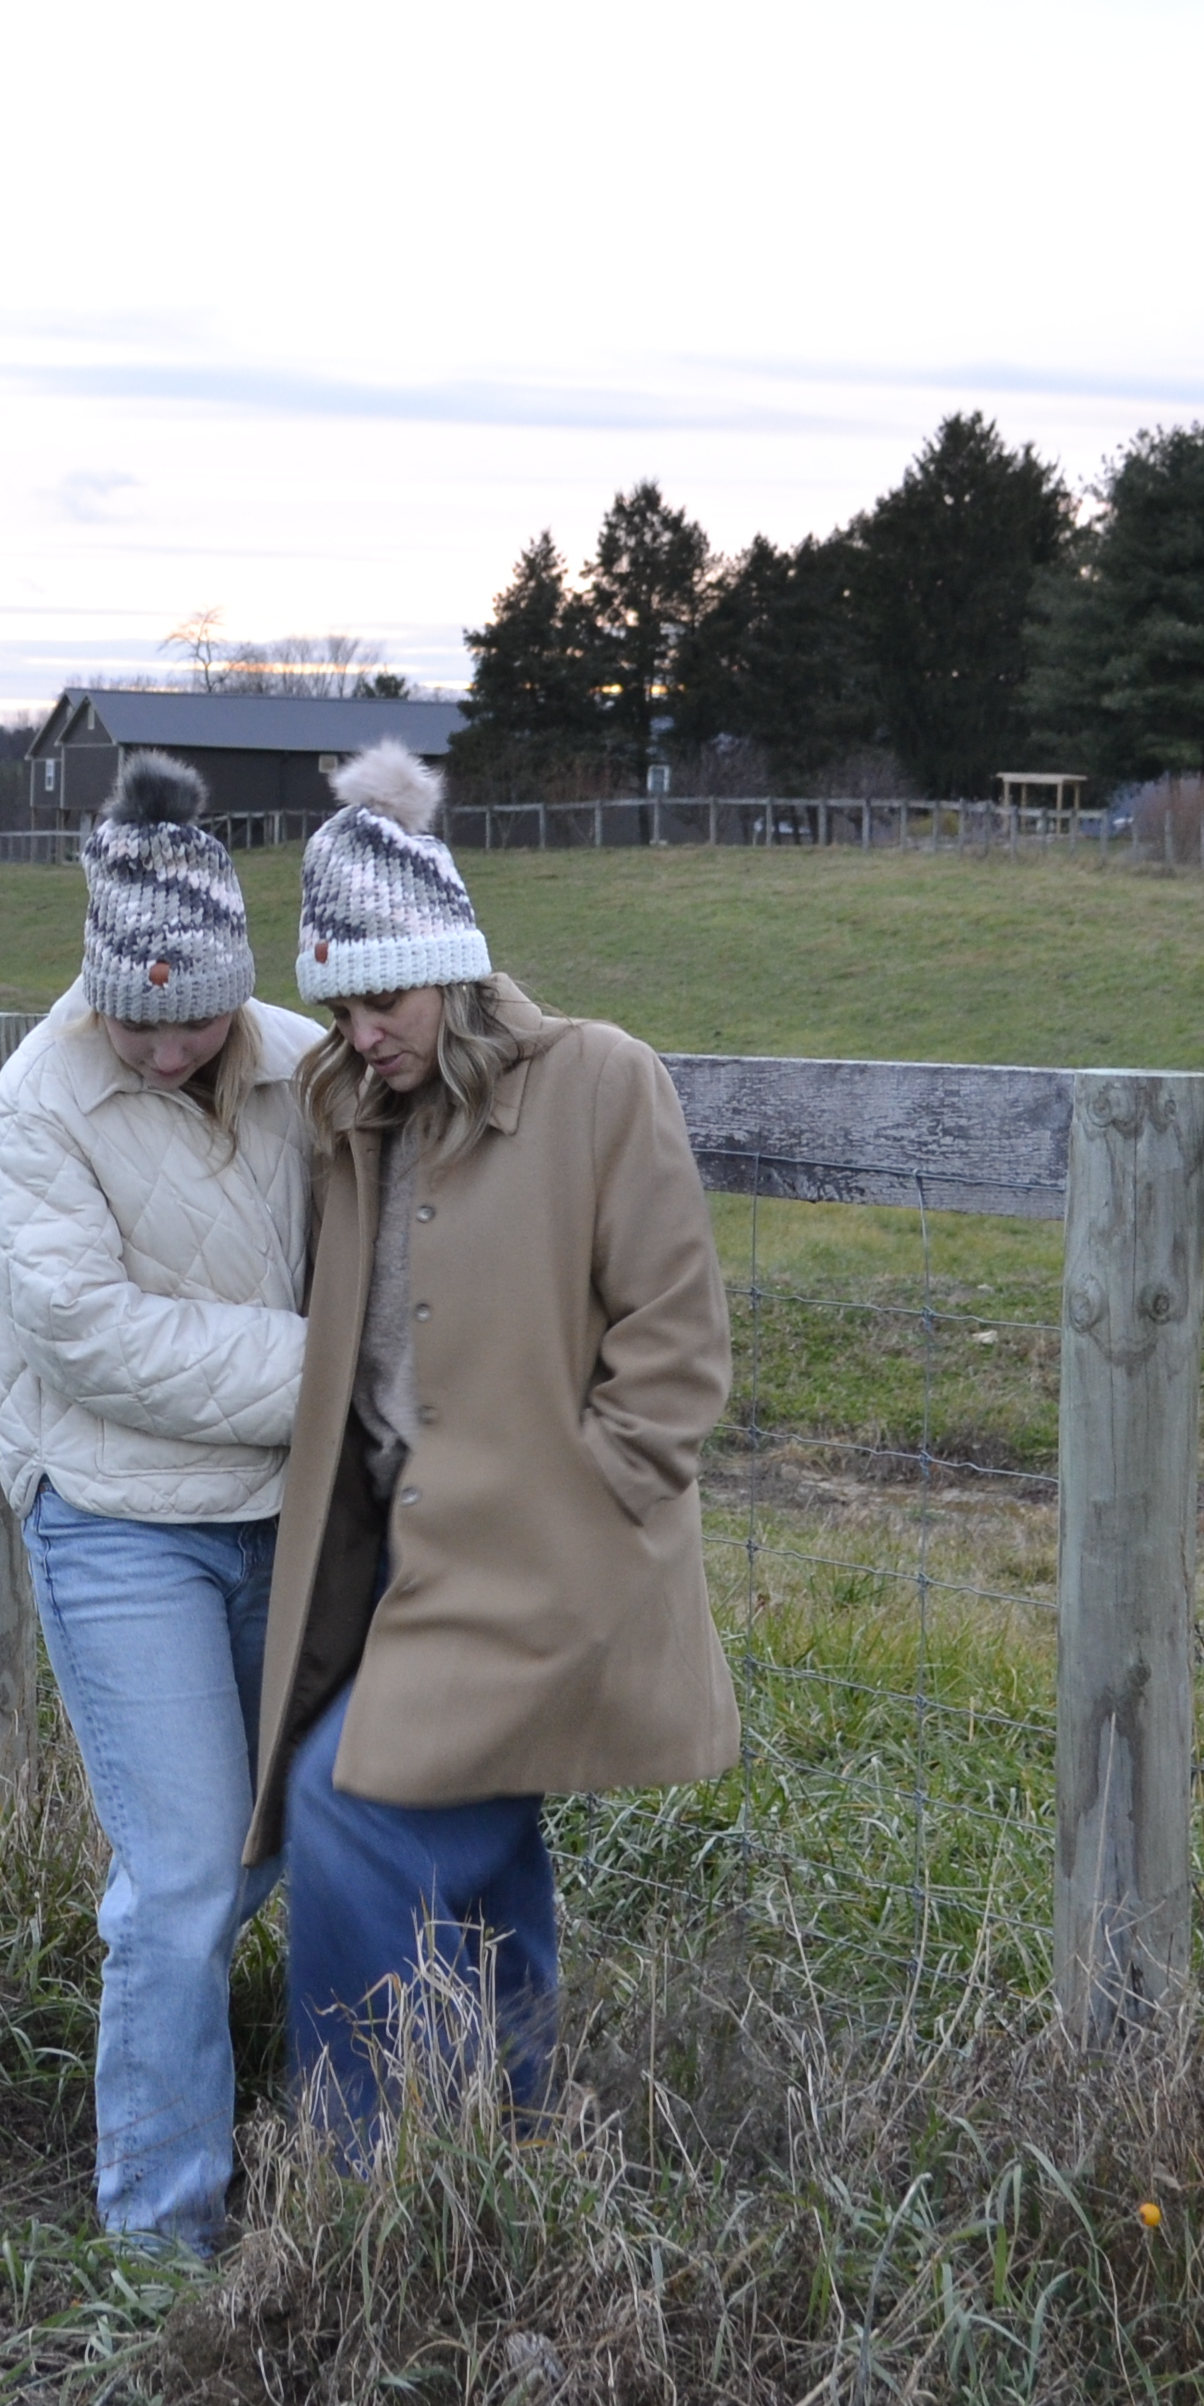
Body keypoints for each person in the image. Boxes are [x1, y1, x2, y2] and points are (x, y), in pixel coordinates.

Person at [244, 740, 736, 2142]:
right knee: (484, 1837)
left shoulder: (599, 1082)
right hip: (417, 1564)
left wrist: (598, 1504)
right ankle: (514, 2124)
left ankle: (355, 2162)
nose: (362, 1032)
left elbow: (677, 1341)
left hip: (553, 1565)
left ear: (453, 968)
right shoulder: (352, 1115)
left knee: (347, 1800)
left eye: (384, 998)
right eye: (336, 1007)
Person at [0, 751, 327, 2251]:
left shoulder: (307, 1070)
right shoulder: (38, 1107)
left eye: (194, 1020)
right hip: (118, 1521)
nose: (165, 1050)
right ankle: (160, 2238)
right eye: (137, 1017)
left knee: (289, 1843)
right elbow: (92, 1340)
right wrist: (342, 1377)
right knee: (183, 1874)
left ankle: (326, 2167)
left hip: (298, 1529)